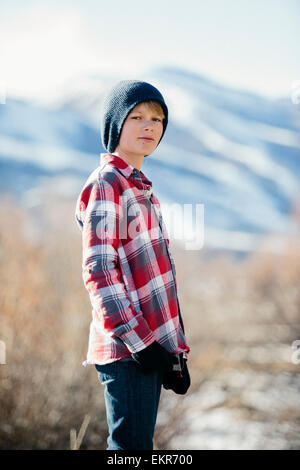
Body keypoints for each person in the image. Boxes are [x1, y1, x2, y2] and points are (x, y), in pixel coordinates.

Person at [75, 80, 191, 450]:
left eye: (157, 119)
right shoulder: (108, 183)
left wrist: (173, 352)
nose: (149, 126)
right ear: (115, 126)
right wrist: (142, 345)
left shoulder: (141, 188)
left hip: (151, 346)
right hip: (128, 349)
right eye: (137, 117)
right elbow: (99, 271)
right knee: (129, 450)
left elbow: (153, 279)